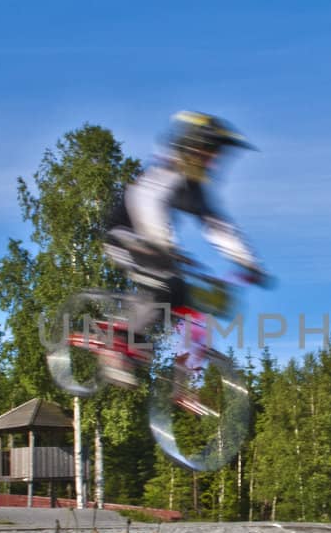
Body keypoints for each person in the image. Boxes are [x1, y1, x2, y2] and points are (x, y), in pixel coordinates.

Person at [100, 111, 268, 386]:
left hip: (155, 245)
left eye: (217, 155)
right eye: (210, 152)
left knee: (186, 299)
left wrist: (249, 263)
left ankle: (180, 379)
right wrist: (162, 245)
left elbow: (219, 227)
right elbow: (147, 206)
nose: (214, 161)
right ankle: (117, 343)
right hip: (123, 237)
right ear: (191, 146)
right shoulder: (165, 172)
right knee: (164, 283)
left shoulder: (195, 188)